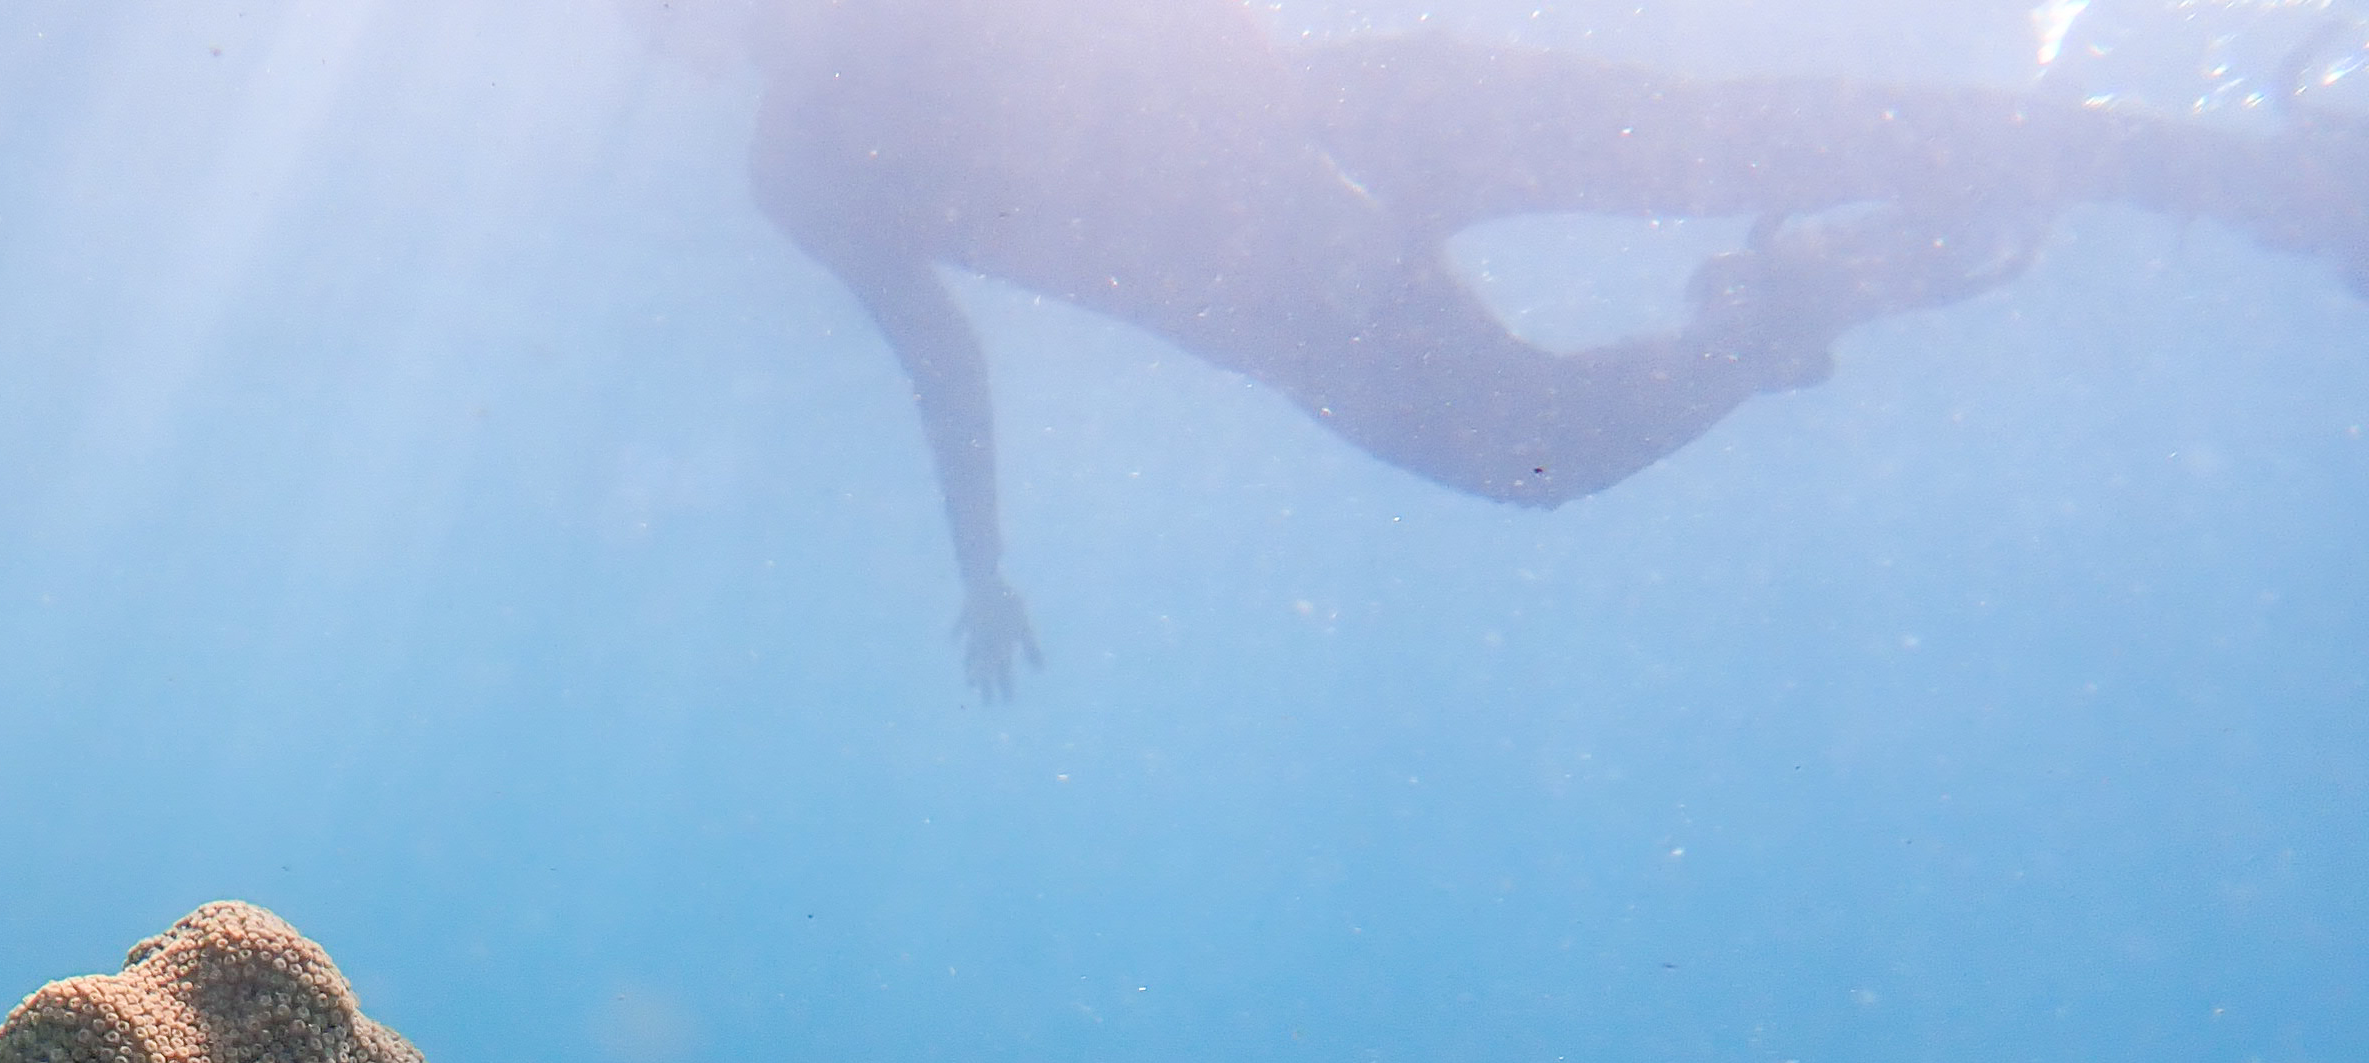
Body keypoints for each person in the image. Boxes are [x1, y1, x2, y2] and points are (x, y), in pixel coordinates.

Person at [749, 0, 2369, 689]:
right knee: (1732, 146)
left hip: (1286, 256)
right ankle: (2227, 174)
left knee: (1554, 421)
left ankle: (1814, 293)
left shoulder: (801, 150)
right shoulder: (803, 148)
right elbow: (944, 358)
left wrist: (983, 565)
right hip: (1345, 142)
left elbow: (940, 358)